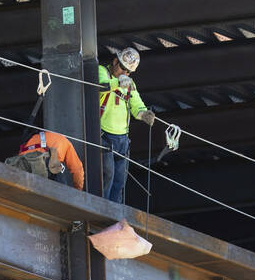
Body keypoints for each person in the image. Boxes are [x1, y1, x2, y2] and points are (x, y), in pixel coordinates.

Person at [98, 47, 154, 203]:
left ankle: (115, 213)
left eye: (129, 71)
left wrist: (144, 114)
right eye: (123, 68)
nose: (125, 73)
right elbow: (99, 87)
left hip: (122, 140)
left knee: (119, 180)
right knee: (107, 175)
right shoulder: (102, 71)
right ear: (115, 61)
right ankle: (102, 209)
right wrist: (118, 82)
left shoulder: (130, 83)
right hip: (103, 136)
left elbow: (136, 105)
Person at [8, 129, 85, 190]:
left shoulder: (33, 138)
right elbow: (77, 169)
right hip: (44, 167)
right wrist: (78, 191)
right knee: (63, 197)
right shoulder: (64, 141)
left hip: (23, 169)